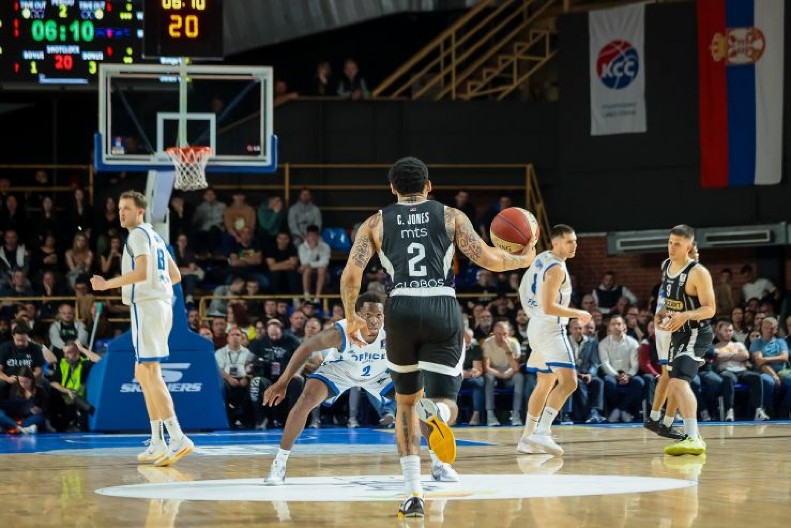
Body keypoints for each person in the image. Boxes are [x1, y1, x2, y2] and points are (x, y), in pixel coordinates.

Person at [339, 156, 536, 519]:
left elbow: (352, 275)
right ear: (429, 185)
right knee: (447, 400)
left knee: (405, 405)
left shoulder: (375, 222)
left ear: (392, 189)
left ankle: (413, 493)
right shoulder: (451, 216)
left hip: (399, 308)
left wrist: (352, 317)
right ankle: (441, 412)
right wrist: (521, 260)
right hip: (441, 306)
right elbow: (488, 259)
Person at [90, 191, 194, 466]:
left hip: (148, 307)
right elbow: (175, 276)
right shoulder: (156, 237)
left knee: (150, 373)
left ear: (140, 212)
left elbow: (143, 273)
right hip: (158, 306)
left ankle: (178, 436)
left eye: (126, 208)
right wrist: (157, 292)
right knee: (142, 372)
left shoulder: (137, 235)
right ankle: (157, 441)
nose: (121, 212)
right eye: (120, 208)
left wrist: (105, 285)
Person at [516, 224, 590, 456]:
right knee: (569, 383)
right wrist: (578, 313)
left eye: (575, 240)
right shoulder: (556, 268)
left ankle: (527, 437)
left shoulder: (542, 258)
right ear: (555, 243)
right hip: (550, 329)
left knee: (545, 383)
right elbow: (549, 306)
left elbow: (523, 289)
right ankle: (543, 431)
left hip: (535, 326)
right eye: (569, 241)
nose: (574, 245)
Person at [655, 225, 715, 456]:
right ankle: (687, 432)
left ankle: (693, 437)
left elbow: (710, 309)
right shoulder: (667, 266)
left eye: (677, 244)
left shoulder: (698, 272)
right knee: (672, 382)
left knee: (678, 382)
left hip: (696, 332)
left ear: (689, 246)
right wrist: (663, 314)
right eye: (670, 242)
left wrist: (685, 315)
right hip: (677, 333)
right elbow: (673, 302)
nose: (671, 247)